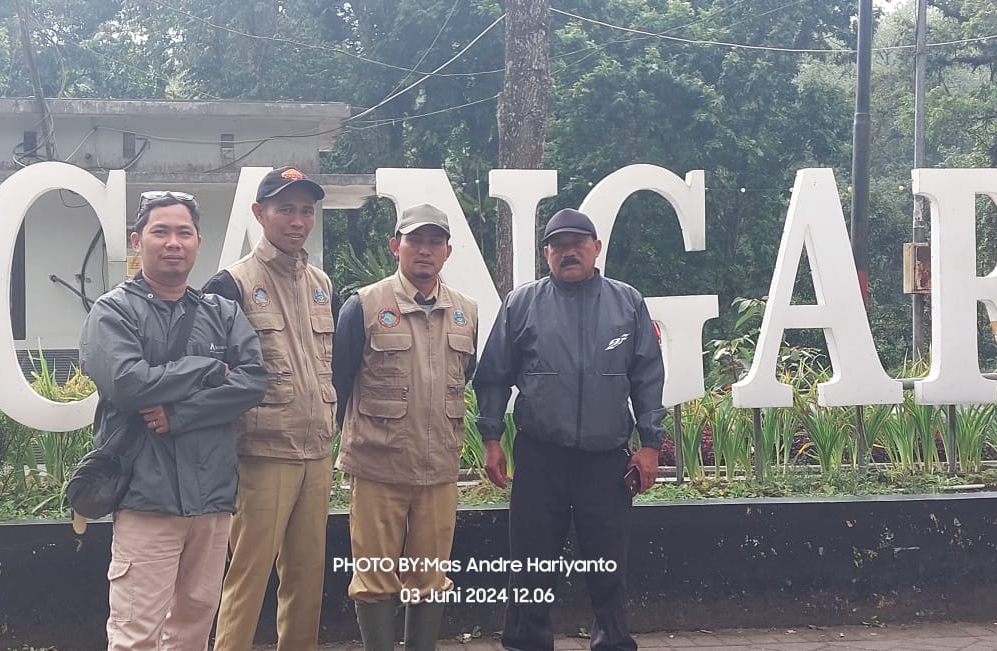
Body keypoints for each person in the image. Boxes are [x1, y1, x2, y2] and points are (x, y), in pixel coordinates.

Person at [79, 190, 267, 651]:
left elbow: (253, 382)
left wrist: (179, 414)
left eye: (183, 232)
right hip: (147, 496)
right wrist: (204, 369)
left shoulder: (221, 313)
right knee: (136, 631)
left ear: (198, 242)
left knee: (193, 626)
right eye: (160, 231)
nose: (172, 242)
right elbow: (128, 384)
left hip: (212, 498)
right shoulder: (113, 311)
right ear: (137, 240)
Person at [473, 208, 666, 651]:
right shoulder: (521, 304)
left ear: (596, 249)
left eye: (578, 243)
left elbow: (648, 377)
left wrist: (651, 444)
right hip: (542, 457)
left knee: (607, 562)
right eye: (558, 245)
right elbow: (494, 375)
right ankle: (526, 641)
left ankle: (613, 641)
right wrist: (490, 439)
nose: (568, 252)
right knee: (530, 563)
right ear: (546, 254)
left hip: (606, 458)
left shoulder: (627, 302)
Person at [331, 204, 478, 651]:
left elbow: (464, 376)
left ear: (448, 251)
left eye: (435, 242)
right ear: (396, 246)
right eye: (416, 240)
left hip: (438, 473)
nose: (425, 250)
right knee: (374, 577)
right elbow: (339, 384)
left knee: (430, 578)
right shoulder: (364, 306)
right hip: (378, 469)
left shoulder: (467, 312)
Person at [205, 167, 337, 651]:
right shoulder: (230, 284)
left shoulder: (322, 284)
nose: (297, 220)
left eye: (306, 210)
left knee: (307, 579)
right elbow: (211, 377)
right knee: (247, 577)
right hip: (260, 455)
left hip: (316, 454)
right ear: (260, 214)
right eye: (285, 209)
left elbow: (330, 366)